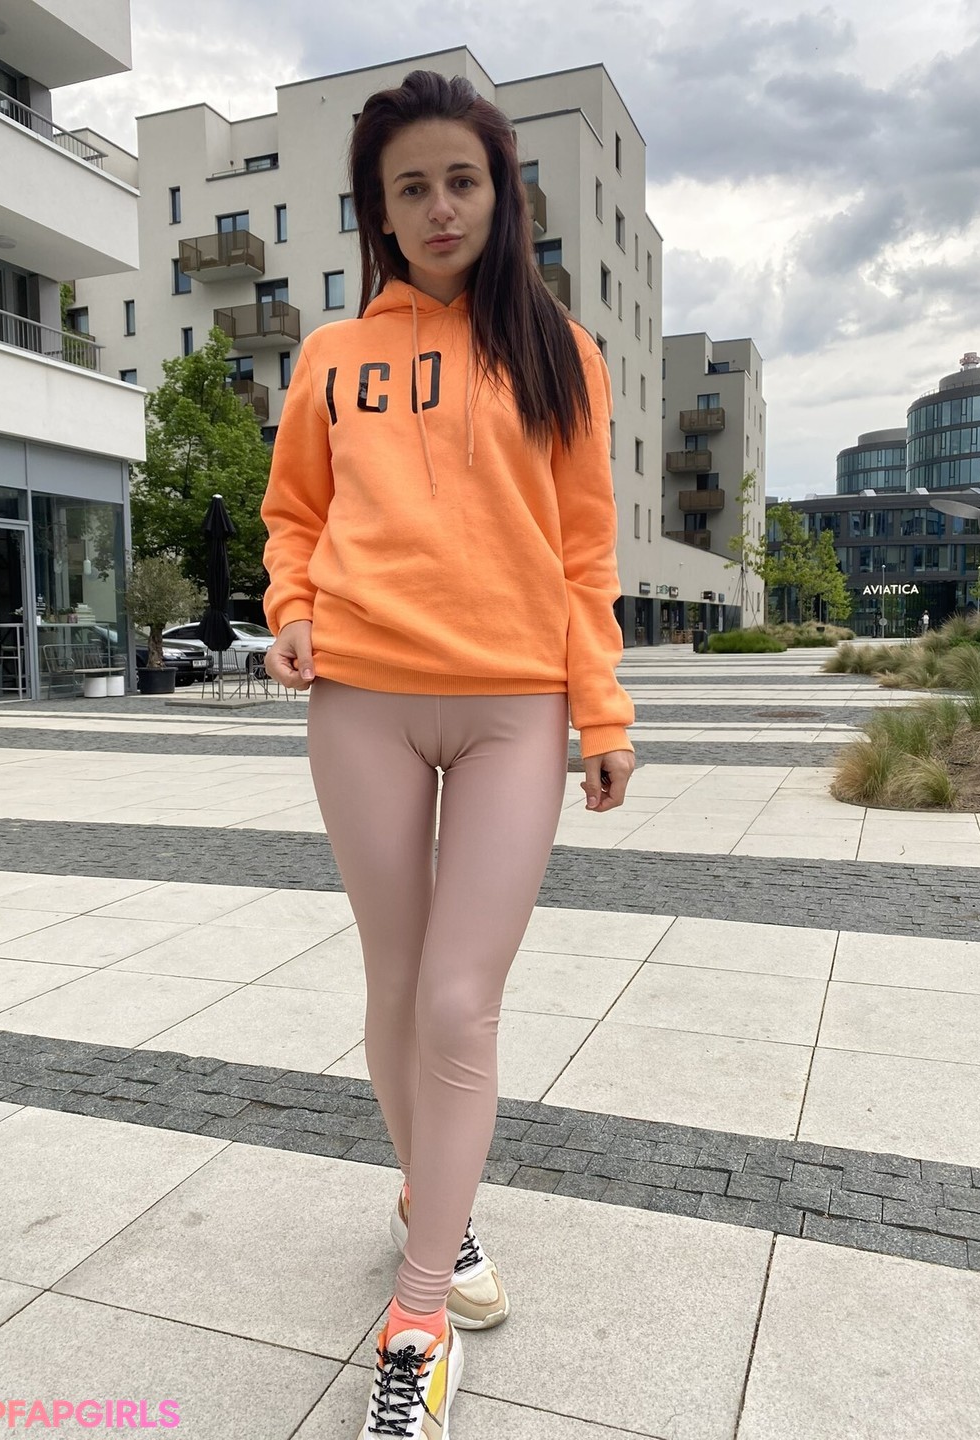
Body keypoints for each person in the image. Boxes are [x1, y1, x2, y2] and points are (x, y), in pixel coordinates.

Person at [260, 69, 635, 1440]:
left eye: (460, 181)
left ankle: (417, 1312)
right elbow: (294, 514)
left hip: (512, 708)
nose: (437, 208)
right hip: (361, 696)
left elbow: (584, 553)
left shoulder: (561, 355)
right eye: (408, 186)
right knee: (398, 978)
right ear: (376, 208)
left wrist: (603, 711)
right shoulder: (331, 357)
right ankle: (438, 1197)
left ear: (501, 194)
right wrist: (290, 611)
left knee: (460, 1001)